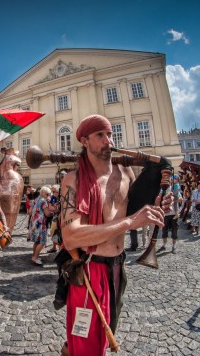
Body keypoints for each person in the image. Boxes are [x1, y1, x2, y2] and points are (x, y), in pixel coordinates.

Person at [60, 115, 170, 355]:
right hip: (89, 271)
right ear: (84, 140)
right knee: (88, 343)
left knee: (108, 328)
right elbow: (71, 237)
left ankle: (69, 348)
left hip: (118, 267)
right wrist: (130, 221)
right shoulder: (73, 180)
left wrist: (155, 205)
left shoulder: (125, 172)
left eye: (109, 134)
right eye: (100, 135)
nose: (108, 140)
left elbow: (134, 211)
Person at [29, 186, 55, 265]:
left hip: (34, 223)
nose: (49, 196)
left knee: (37, 241)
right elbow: (47, 213)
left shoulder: (36, 199)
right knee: (43, 242)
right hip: (41, 224)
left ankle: (34, 256)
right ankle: (35, 257)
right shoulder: (43, 201)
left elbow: (29, 212)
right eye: (48, 194)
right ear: (43, 193)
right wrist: (53, 212)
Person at [159, 183, 182, 254]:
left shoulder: (174, 189)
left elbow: (181, 199)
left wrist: (172, 200)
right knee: (164, 230)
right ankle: (164, 245)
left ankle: (174, 246)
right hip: (165, 214)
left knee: (174, 230)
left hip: (174, 214)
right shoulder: (162, 190)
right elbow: (159, 200)